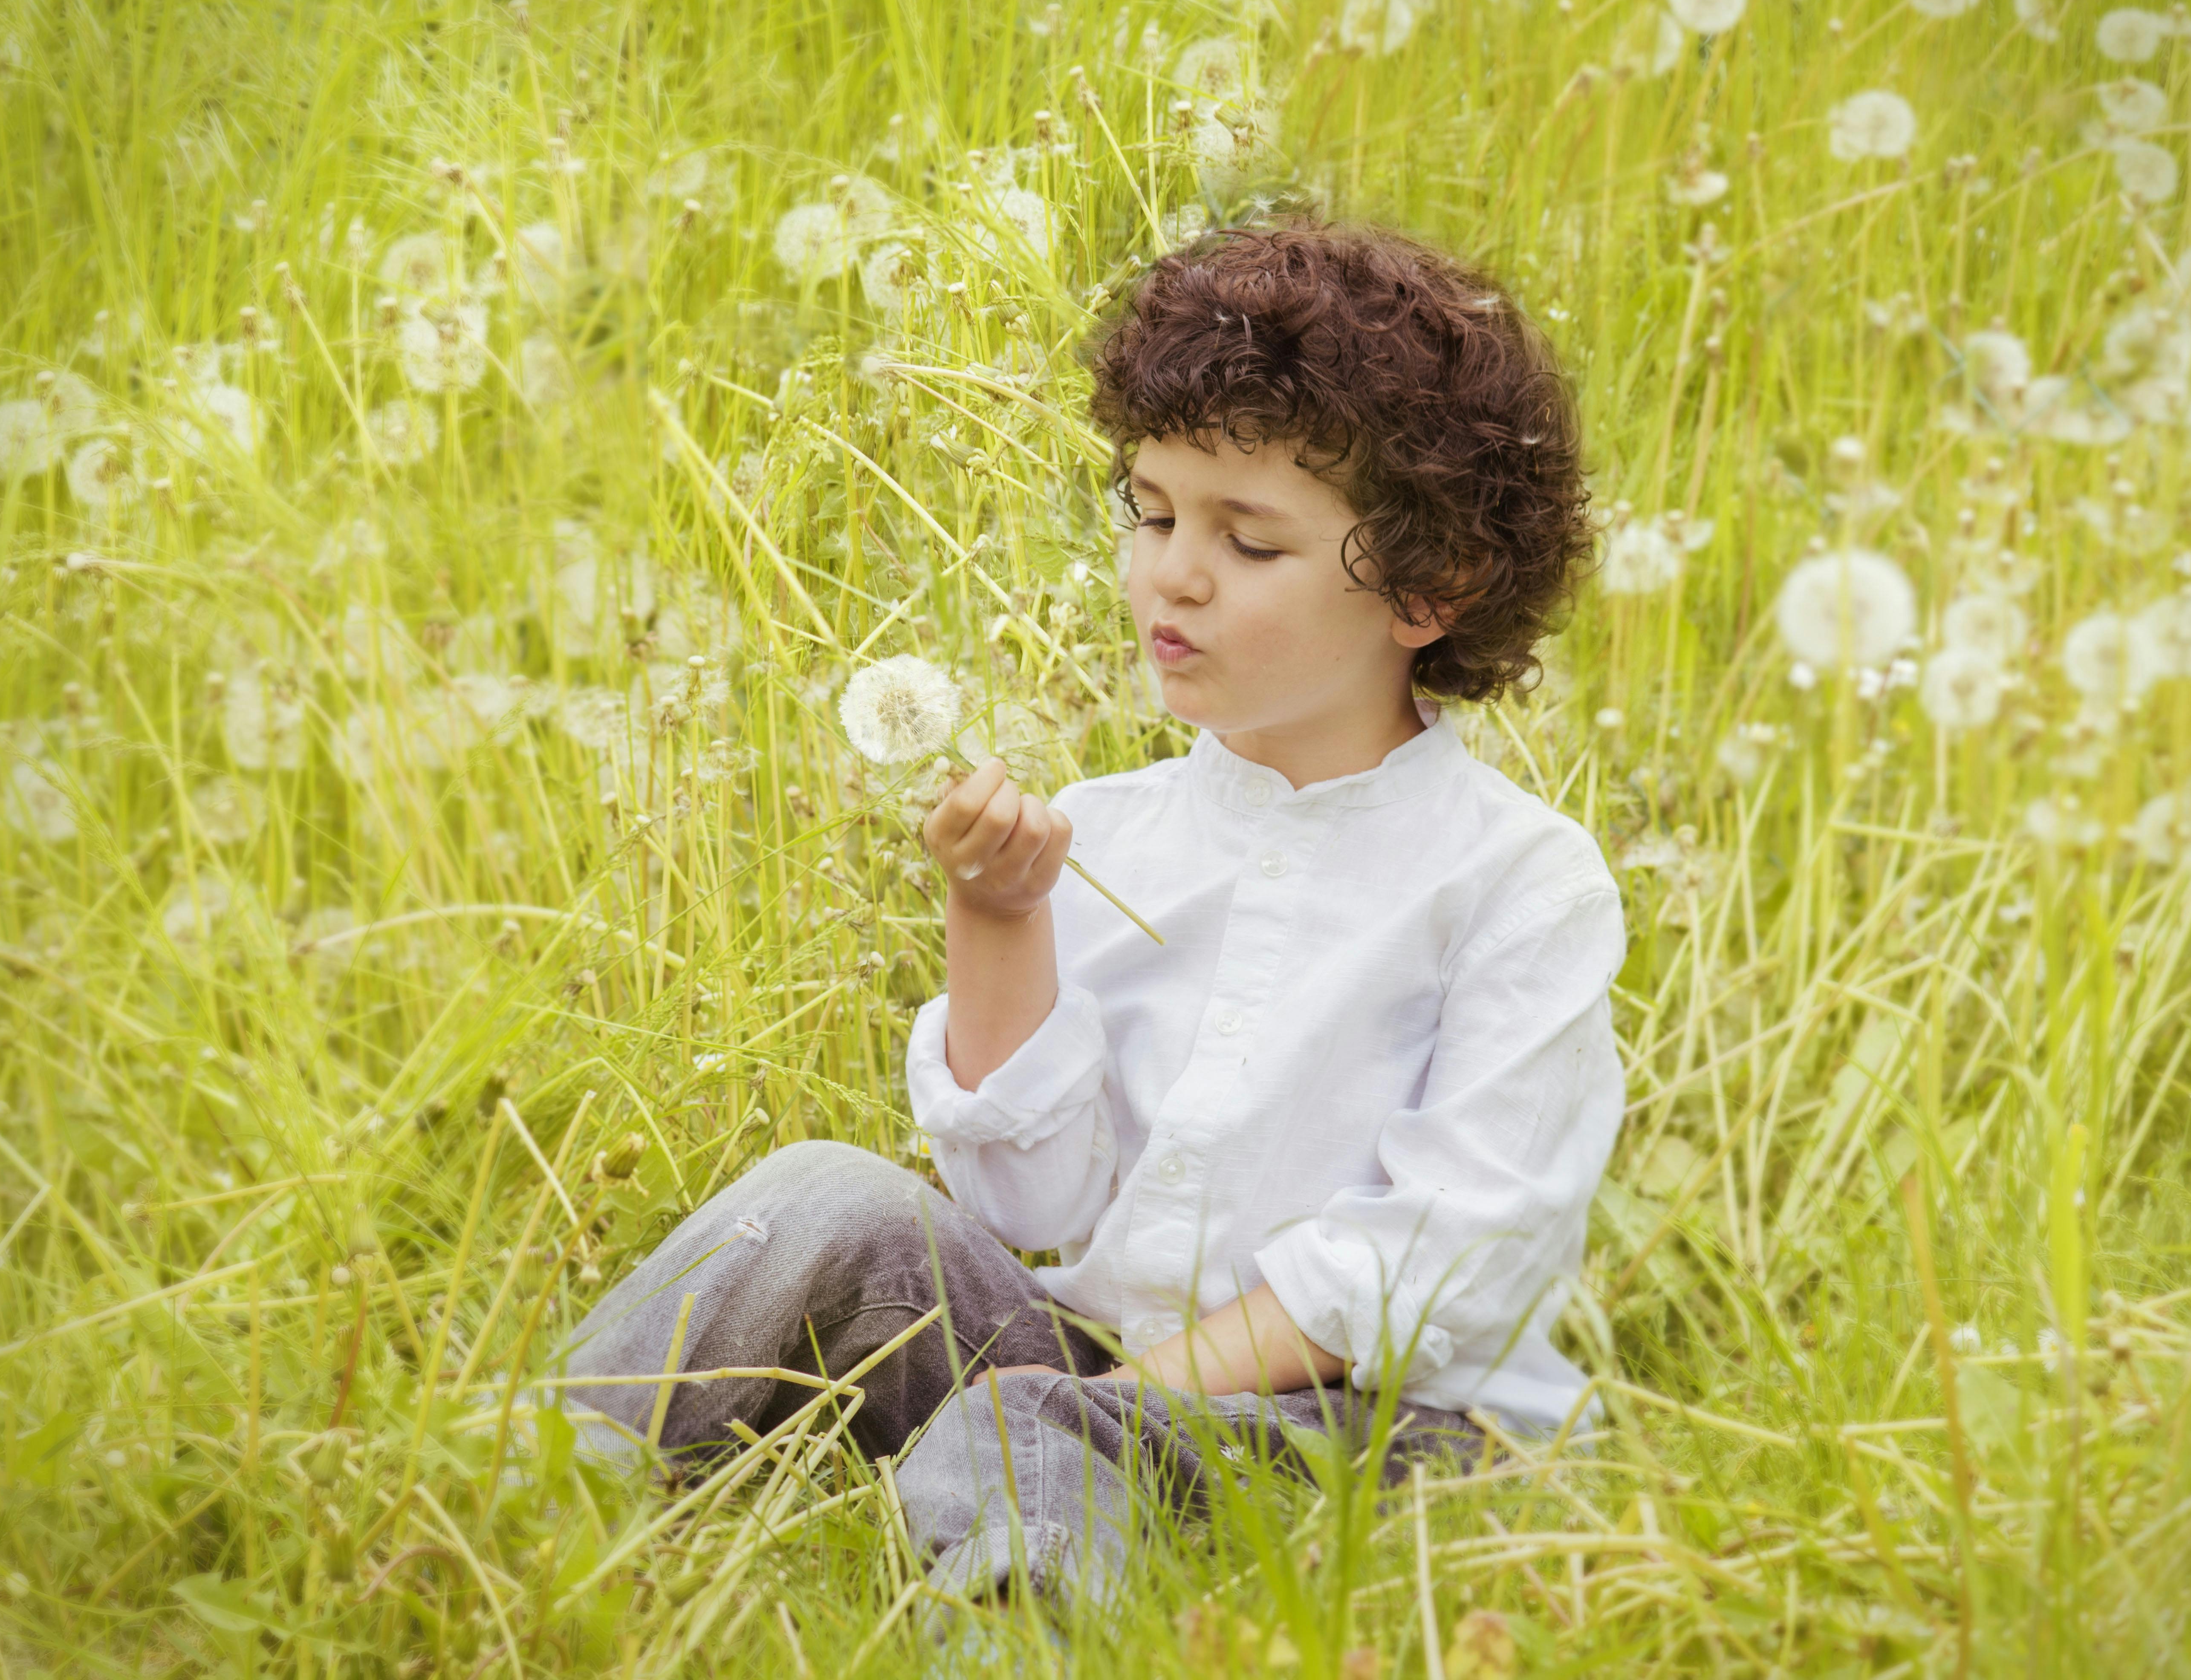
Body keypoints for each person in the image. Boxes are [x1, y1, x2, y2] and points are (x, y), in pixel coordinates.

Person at [563, 220, 1624, 1632]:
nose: (1173, 574)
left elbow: (1441, 1262)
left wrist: (1112, 1395)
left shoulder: (1519, 883)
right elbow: (1033, 1213)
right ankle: (517, 1495)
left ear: (1431, 592)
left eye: (1249, 540)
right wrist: (998, 915)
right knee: (829, 1198)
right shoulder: (1111, 836)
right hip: (1105, 1377)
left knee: (1035, 1427)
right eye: (1153, 512)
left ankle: (1013, 1631)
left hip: (1384, 1433)